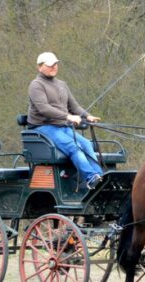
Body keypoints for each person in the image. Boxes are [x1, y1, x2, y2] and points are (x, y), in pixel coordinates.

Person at [27, 52, 104, 189]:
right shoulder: (36, 85)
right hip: (43, 127)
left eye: (55, 64)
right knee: (73, 146)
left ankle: (99, 176)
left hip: (62, 126)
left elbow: (74, 106)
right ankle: (90, 177)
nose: (54, 67)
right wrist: (68, 117)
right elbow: (44, 109)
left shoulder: (62, 84)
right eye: (50, 65)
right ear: (40, 67)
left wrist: (87, 116)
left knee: (86, 144)